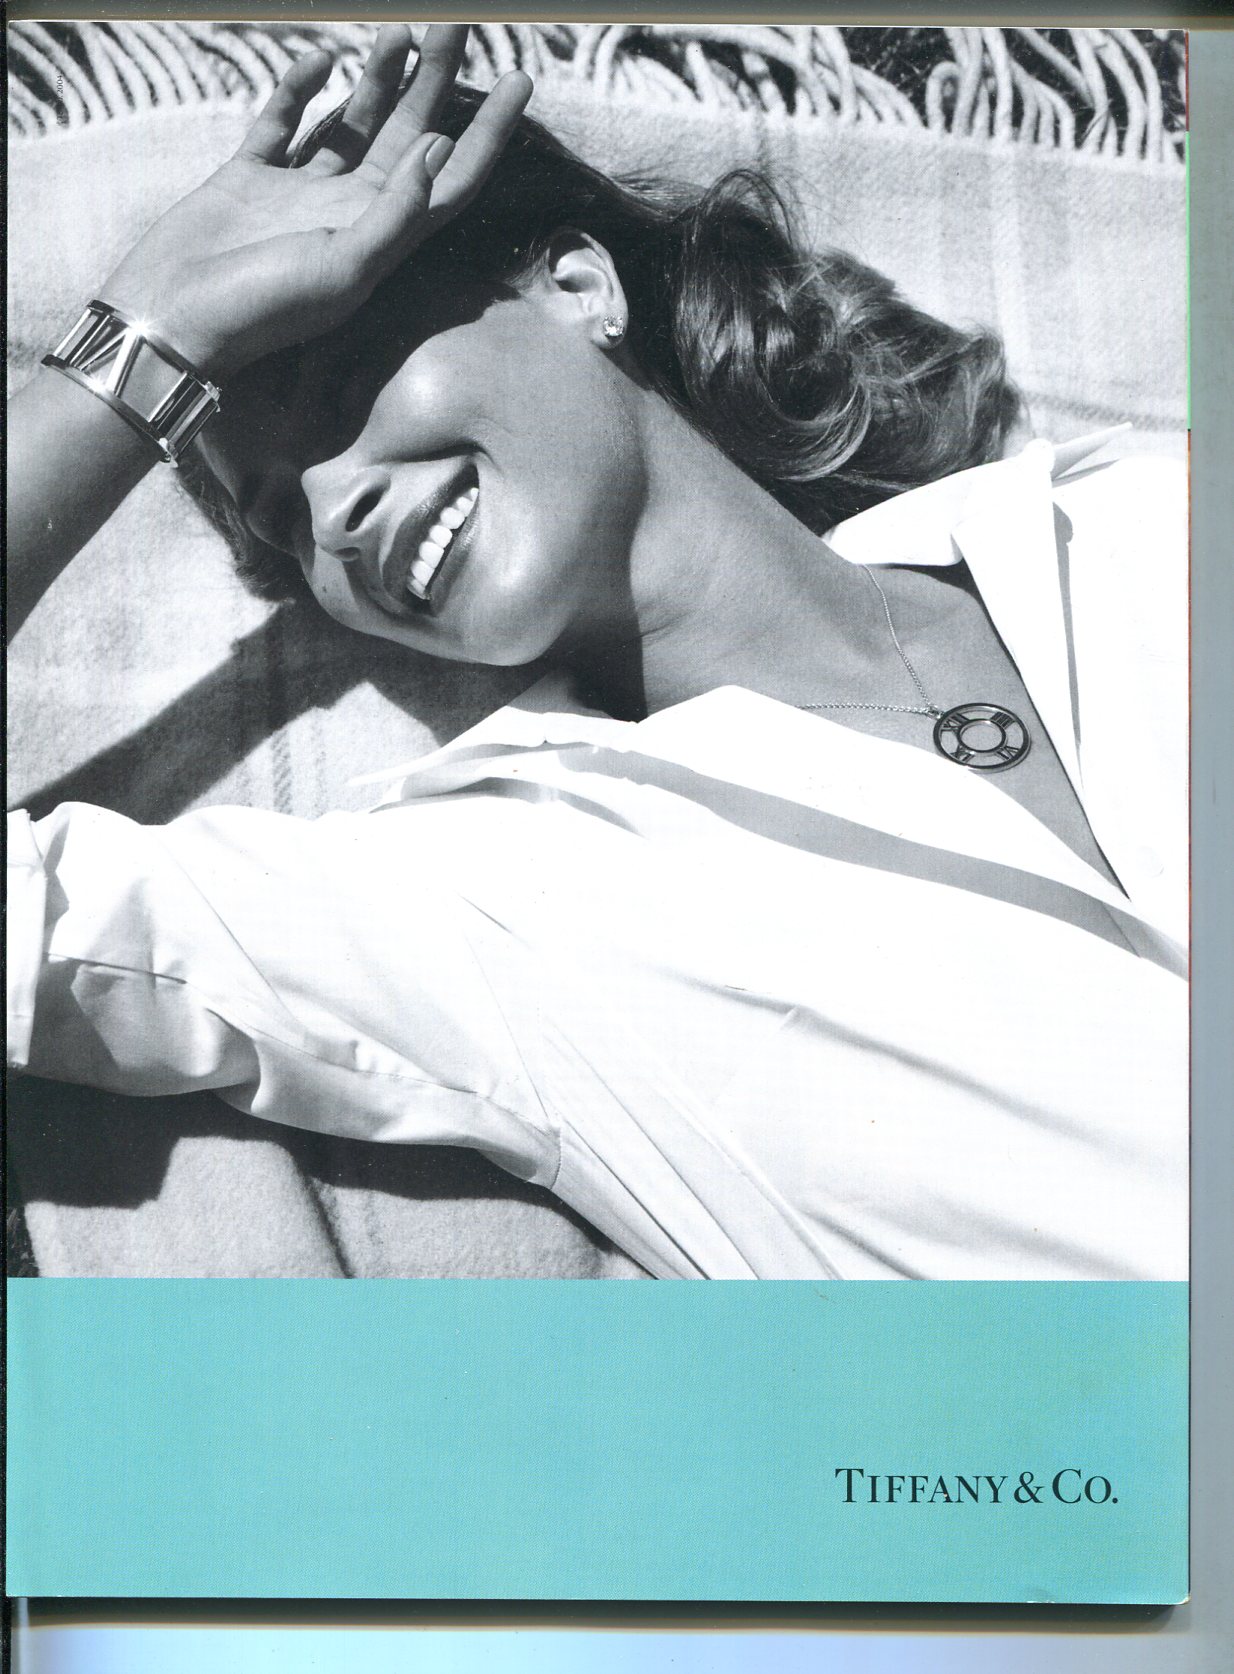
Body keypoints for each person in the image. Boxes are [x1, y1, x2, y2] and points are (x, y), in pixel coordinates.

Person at [7, 26, 1187, 1280]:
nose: (335, 510)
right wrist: (140, 340)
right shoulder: (493, 897)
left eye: (344, 387)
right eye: (284, 524)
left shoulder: (1133, 511)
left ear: (578, 288)